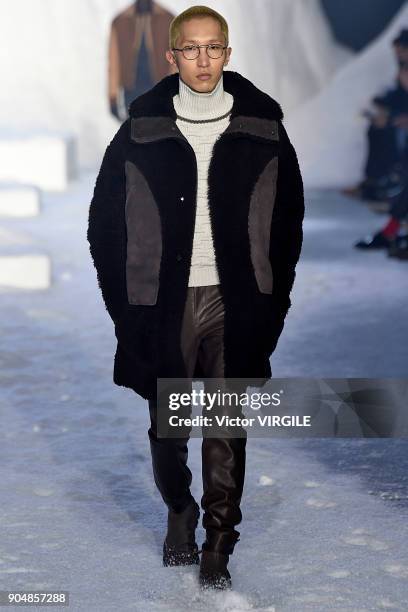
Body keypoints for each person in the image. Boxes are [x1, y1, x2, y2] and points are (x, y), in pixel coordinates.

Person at [87, 4, 304, 590]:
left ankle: (219, 543)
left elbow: (287, 225)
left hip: (236, 299)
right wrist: (126, 308)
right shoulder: (141, 129)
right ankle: (180, 508)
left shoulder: (263, 126)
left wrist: (270, 302)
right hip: (163, 302)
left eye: (214, 48)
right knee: (168, 425)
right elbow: (103, 225)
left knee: (226, 425)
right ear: (173, 54)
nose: (203, 59)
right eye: (191, 49)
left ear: (228, 55)